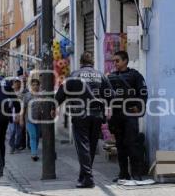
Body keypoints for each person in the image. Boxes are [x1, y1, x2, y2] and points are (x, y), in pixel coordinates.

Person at [52, 51, 114, 188]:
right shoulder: (100, 75)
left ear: (80, 63)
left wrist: (54, 106)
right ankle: (84, 176)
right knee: (90, 147)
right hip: (97, 115)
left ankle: (89, 178)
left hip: (80, 115)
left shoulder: (74, 75)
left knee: (83, 147)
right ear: (92, 63)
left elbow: (62, 93)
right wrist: (107, 106)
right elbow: (111, 94)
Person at [108, 51, 148, 182]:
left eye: (117, 61)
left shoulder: (135, 76)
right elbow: (106, 95)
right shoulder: (111, 77)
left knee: (132, 145)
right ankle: (123, 173)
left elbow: (143, 93)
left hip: (130, 114)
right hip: (116, 115)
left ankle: (136, 174)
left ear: (125, 61)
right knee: (120, 146)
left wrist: (138, 106)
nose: (115, 63)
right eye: (114, 61)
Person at [20, 78, 42, 162]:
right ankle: (34, 154)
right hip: (29, 120)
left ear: (39, 86)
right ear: (31, 86)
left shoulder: (41, 95)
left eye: (37, 85)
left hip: (39, 120)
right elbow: (23, 108)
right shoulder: (27, 96)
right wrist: (21, 119)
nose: (35, 86)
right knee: (33, 136)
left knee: (36, 137)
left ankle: (34, 151)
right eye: (33, 85)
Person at [8, 77, 22, 154]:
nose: (17, 84)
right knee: (12, 131)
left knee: (19, 132)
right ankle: (12, 146)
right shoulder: (9, 93)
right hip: (11, 114)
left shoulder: (22, 92)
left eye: (18, 82)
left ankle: (17, 145)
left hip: (20, 113)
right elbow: (8, 104)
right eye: (15, 82)